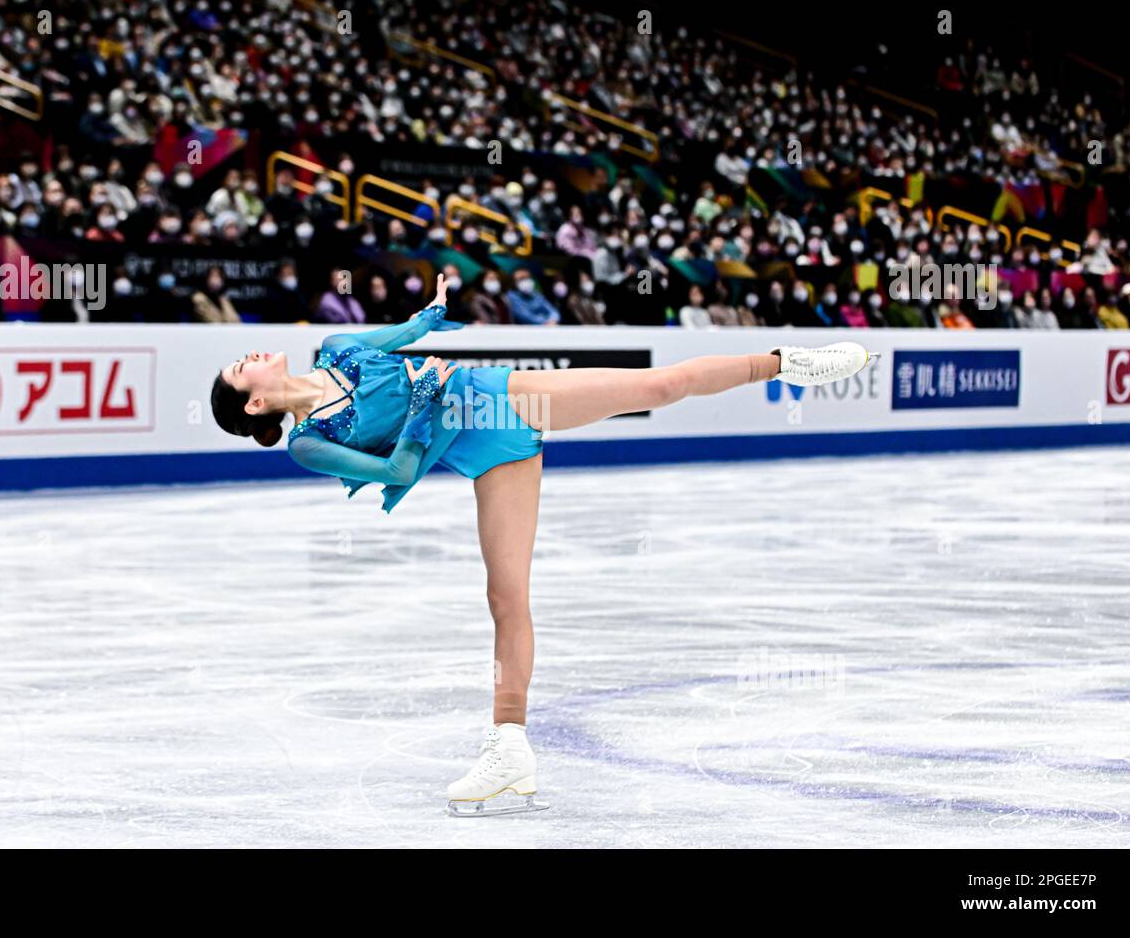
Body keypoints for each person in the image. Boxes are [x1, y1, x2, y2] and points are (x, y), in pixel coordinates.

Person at [209, 275, 875, 815]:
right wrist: (419, 405)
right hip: (480, 454)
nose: (246, 359)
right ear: (256, 408)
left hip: (499, 401)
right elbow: (397, 472)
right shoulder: (307, 443)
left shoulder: (336, 348)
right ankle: (509, 744)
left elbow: (407, 333)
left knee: (656, 386)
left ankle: (788, 361)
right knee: (505, 595)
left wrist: (434, 309)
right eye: (239, 373)